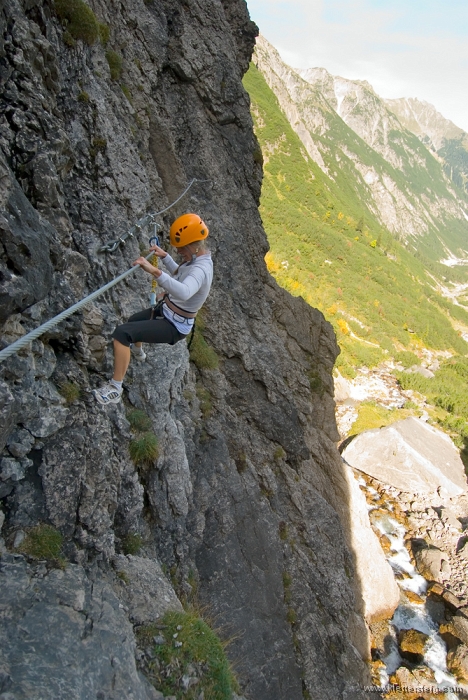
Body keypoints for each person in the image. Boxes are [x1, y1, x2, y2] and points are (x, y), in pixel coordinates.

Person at [93, 213, 213, 405]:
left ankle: (115, 388)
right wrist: (165, 258)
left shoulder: (201, 269)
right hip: (168, 311)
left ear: (192, 245)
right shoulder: (197, 258)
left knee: (122, 334)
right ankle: (139, 353)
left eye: (181, 248)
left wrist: (154, 271)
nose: (179, 251)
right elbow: (181, 273)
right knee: (133, 322)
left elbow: (184, 291)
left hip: (174, 326)